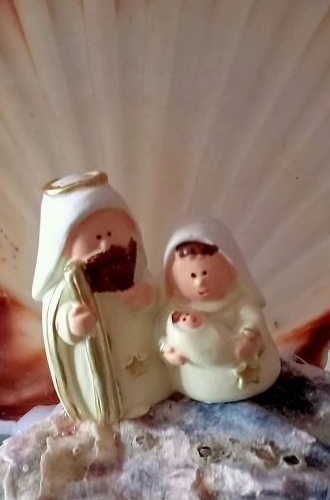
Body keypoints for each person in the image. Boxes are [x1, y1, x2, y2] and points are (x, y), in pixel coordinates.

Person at [33, 172, 169, 422]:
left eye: (111, 233)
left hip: (149, 369)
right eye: (95, 239)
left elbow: (159, 300)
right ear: (64, 247)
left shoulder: (135, 269)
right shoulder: (70, 288)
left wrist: (147, 297)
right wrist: (73, 324)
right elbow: (59, 322)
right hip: (107, 382)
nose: (106, 245)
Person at [159, 219, 280, 403]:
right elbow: (161, 335)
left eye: (205, 273)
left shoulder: (238, 300)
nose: (200, 282)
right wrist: (167, 351)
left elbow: (252, 318)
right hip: (199, 383)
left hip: (251, 373)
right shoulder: (176, 309)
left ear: (230, 268)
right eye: (192, 276)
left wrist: (249, 337)